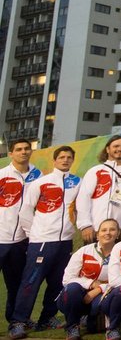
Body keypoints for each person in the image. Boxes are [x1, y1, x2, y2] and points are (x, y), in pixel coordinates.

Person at [9, 146, 79, 337]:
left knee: (57, 283)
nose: (65, 160)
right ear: (54, 161)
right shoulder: (41, 183)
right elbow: (25, 211)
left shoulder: (77, 183)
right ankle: (18, 321)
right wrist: (35, 233)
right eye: (62, 157)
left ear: (73, 160)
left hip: (65, 241)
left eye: (69, 157)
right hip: (41, 241)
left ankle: (47, 318)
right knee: (31, 282)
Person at [0, 138, 39, 334]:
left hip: (21, 241)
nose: (23, 152)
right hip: (0, 237)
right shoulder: (2, 175)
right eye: (18, 149)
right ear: (11, 153)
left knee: (16, 284)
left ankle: (16, 322)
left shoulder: (39, 176)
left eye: (26, 149)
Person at [56, 218, 117, 340]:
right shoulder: (84, 251)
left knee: (93, 327)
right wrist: (91, 283)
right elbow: (67, 279)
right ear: (97, 235)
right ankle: (72, 327)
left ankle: (91, 319)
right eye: (104, 230)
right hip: (75, 295)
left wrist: (99, 288)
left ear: (118, 233)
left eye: (112, 229)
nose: (108, 233)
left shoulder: (120, 253)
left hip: (102, 294)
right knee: (73, 288)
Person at [76, 135, 121, 240]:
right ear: (108, 149)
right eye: (116, 146)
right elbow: (83, 198)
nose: (119, 149)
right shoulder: (96, 171)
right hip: (98, 228)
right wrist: (85, 224)